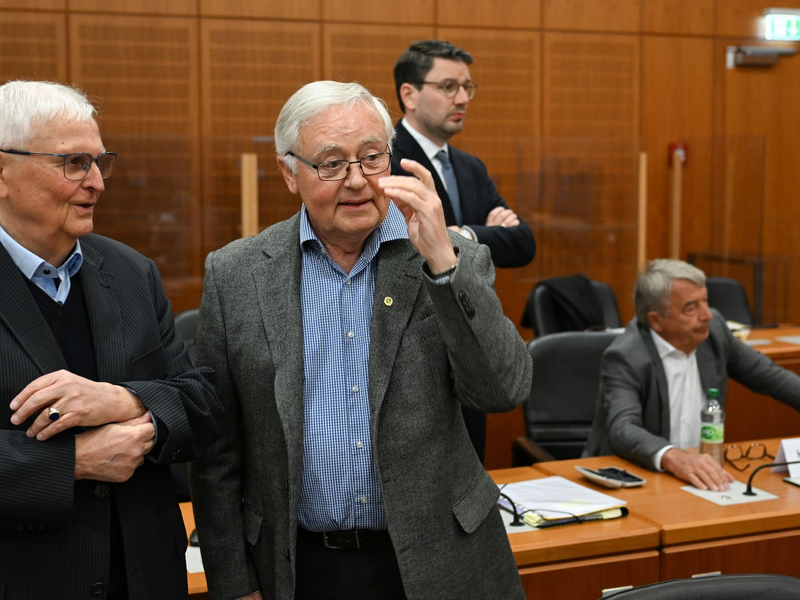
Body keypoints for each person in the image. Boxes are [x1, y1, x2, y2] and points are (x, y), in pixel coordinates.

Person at [189, 80, 532, 600]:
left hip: (438, 560)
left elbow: (502, 390)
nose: (357, 181)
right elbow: (217, 453)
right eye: (331, 163)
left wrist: (443, 263)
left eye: (373, 158)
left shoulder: (450, 257)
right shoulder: (237, 274)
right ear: (289, 172)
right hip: (296, 565)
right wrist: (234, 584)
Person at [0, 80, 223, 600]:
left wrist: (126, 399)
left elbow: (203, 403)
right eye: (74, 163)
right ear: (3, 172)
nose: (97, 183)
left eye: (100, 162)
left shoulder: (129, 271)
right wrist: (74, 463)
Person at [391, 40, 536, 461]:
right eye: (450, 86)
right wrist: (486, 232)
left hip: (475, 341)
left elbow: (522, 243)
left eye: (468, 87)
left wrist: (462, 235)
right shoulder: (388, 158)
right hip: (416, 353)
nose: (462, 99)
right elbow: (405, 247)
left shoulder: (470, 166)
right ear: (409, 94)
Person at [583, 259, 800, 491]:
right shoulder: (626, 355)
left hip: (698, 476)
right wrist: (672, 456)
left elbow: (770, 377)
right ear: (656, 320)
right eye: (691, 307)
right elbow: (623, 428)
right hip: (633, 477)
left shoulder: (714, 331)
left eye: (705, 300)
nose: (707, 314)